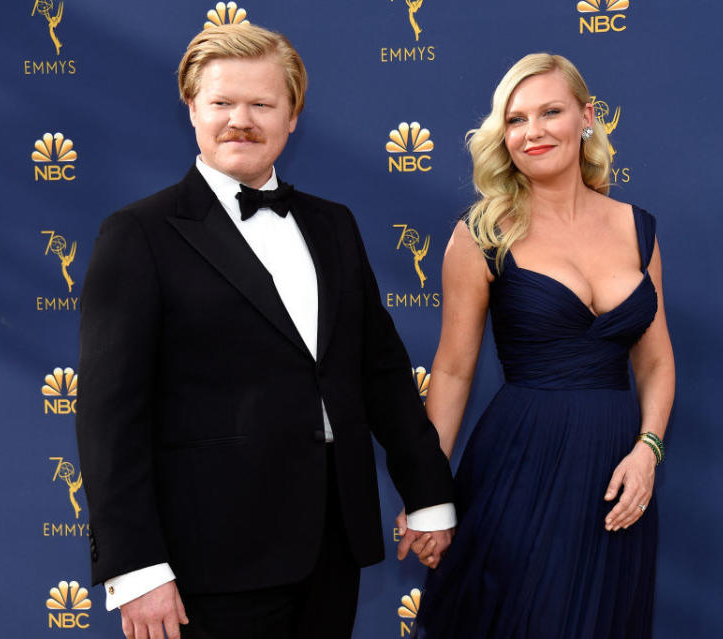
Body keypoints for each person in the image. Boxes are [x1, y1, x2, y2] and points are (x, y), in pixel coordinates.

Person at [75, 23, 455, 639]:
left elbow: (381, 373)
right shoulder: (138, 234)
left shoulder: (334, 225)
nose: (240, 120)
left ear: (293, 116)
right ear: (193, 109)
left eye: (261, 104)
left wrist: (429, 495)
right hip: (207, 559)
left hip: (333, 544)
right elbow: (108, 417)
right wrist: (137, 567)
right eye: (222, 103)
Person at [407, 53, 676, 638]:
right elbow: (452, 373)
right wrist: (427, 494)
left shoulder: (638, 228)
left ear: (587, 117)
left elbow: (655, 361)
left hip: (615, 476)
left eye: (550, 112)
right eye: (515, 119)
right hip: (520, 463)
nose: (532, 132)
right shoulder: (479, 235)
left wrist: (647, 450)